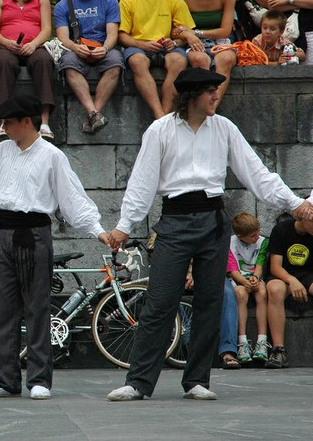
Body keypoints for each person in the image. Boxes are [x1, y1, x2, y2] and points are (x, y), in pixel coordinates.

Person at [106, 68, 313, 402]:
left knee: (210, 301)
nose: (216, 95)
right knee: (159, 301)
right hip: (174, 219)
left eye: (217, 90)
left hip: (212, 220)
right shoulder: (161, 130)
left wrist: (294, 203)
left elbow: (256, 173)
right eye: (209, 91)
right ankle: (139, 382)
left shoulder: (224, 128)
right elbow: (141, 182)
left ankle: (197, 379)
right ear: (191, 96)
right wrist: (124, 225)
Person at [0, 93, 108, 400]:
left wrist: (97, 229)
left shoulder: (52, 156)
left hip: (34, 234)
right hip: (4, 233)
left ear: (26, 122)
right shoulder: (3, 150)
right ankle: (6, 378)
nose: (4, 128)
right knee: (1, 307)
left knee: (36, 307)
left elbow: (72, 198)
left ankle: (39, 378)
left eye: (8, 122)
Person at [119, 0, 197, 119]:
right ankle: (159, 115)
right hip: (139, 47)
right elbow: (122, 36)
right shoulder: (127, 0)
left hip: (167, 47)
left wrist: (174, 43)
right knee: (137, 61)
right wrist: (142, 45)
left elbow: (186, 32)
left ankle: (165, 114)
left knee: (179, 61)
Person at [54, 0, 123, 135]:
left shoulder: (110, 2)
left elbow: (112, 34)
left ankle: (93, 113)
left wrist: (105, 48)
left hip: (102, 46)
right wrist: (75, 47)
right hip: (77, 48)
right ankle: (94, 113)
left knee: (116, 61)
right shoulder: (63, 5)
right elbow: (62, 37)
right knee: (67, 62)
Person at [0, 0, 54, 139]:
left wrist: (33, 44)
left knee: (44, 60)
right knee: (3, 61)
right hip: (6, 46)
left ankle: (44, 121)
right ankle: (4, 121)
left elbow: (46, 29)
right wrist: (7, 43)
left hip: (34, 46)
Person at [178, 0, 237, 104]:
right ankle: (202, 104)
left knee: (226, 59)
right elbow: (179, 28)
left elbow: (225, 31)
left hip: (221, 41)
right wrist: (189, 35)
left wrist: (196, 32)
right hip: (195, 43)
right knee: (200, 59)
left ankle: (213, 106)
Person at [265, 199, 313, 369]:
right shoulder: (282, 230)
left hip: (309, 274)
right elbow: (275, 267)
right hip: (284, 274)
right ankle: (278, 350)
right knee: (275, 289)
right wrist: (292, 280)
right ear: (305, 218)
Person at [226, 212, 271, 365]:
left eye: (258, 233)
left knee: (262, 292)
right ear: (240, 236)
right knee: (240, 294)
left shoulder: (262, 242)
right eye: (253, 236)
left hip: (254, 277)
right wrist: (244, 282)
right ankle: (242, 341)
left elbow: (260, 264)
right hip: (238, 278)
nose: (257, 237)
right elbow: (233, 270)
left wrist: (255, 278)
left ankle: (262, 341)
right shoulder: (230, 243)